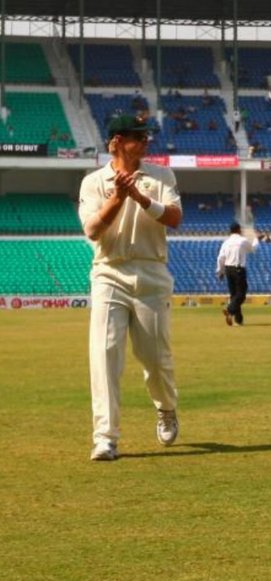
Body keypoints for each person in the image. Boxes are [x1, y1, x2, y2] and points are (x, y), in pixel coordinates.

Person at [77, 114, 184, 462]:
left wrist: (138, 196)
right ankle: (105, 437)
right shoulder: (94, 182)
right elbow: (93, 230)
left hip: (152, 273)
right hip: (109, 272)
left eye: (146, 136)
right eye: (138, 136)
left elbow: (174, 218)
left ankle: (166, 408)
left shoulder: (161, 176)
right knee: (105, 355)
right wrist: (118, 197)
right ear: (117, 141)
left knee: (156, 358)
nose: (146, 141)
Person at [216, 221, 258, 326]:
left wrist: (220, 271)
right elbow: (253, 249)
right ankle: (229, 310)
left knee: (234, 295)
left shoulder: (226, 242)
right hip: (238, 269)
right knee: (241, 295)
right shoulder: (242, 241)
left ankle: (238, 320)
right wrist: (257, 239)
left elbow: (221, 258)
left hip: (228, 269)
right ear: (239, 230)